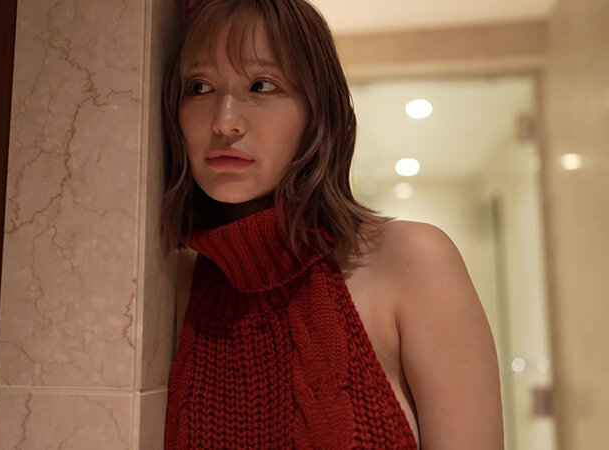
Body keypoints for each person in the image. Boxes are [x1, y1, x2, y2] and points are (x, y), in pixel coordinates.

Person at [159, 0, 504, 448]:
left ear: (318, 112)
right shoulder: (171, 286)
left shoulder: (412, 262)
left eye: (262, 85)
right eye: (200, 87)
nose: (225, 122)